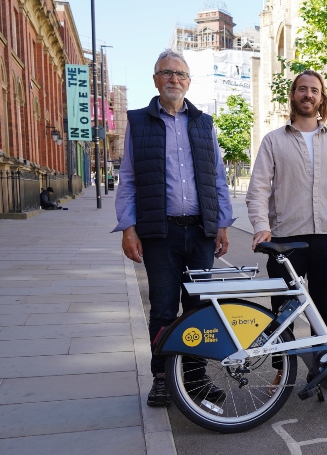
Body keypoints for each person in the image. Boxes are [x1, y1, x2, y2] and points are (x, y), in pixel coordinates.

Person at [114, 49, 235, 407]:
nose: (173, 79)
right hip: (159, 233)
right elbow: (129, 180)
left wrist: (223, 224)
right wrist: (128, 227)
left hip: (200, 231)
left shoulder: (203, 122)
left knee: (199, 308)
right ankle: (163, 378)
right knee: (164, 309)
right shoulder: (138, 122)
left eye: (180, 74)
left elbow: (217, 177)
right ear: (155, 80)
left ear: (188, 82)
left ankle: (195, 378)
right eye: (166, 73)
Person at [247, 70, 327, 392]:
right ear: (293, 95)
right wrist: (261, 228)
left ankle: (325, 368)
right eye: (302, 90)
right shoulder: (273, 141)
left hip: (326, 239)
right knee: (282, 311)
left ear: (322, 99)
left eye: (314, 91)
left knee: (322, 309)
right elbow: (258, 189)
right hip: (285, 240)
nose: (308, 95)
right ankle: (283, 371)